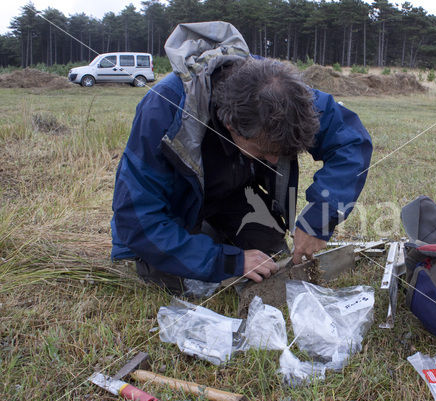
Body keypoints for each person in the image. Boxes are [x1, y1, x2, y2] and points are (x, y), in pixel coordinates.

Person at [110, 22, 372, 295]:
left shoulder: (286, 93)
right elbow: (137, 219)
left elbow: (352, 142)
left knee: (271, 255)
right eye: (262, 152)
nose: (272, 162)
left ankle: (212, 235)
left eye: (282, 154)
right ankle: (202, 241)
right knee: (179, 281)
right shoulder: (164, 109)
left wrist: (320, 217)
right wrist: (227, 261)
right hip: (172, 212)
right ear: (231, 125)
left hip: (232, 197)